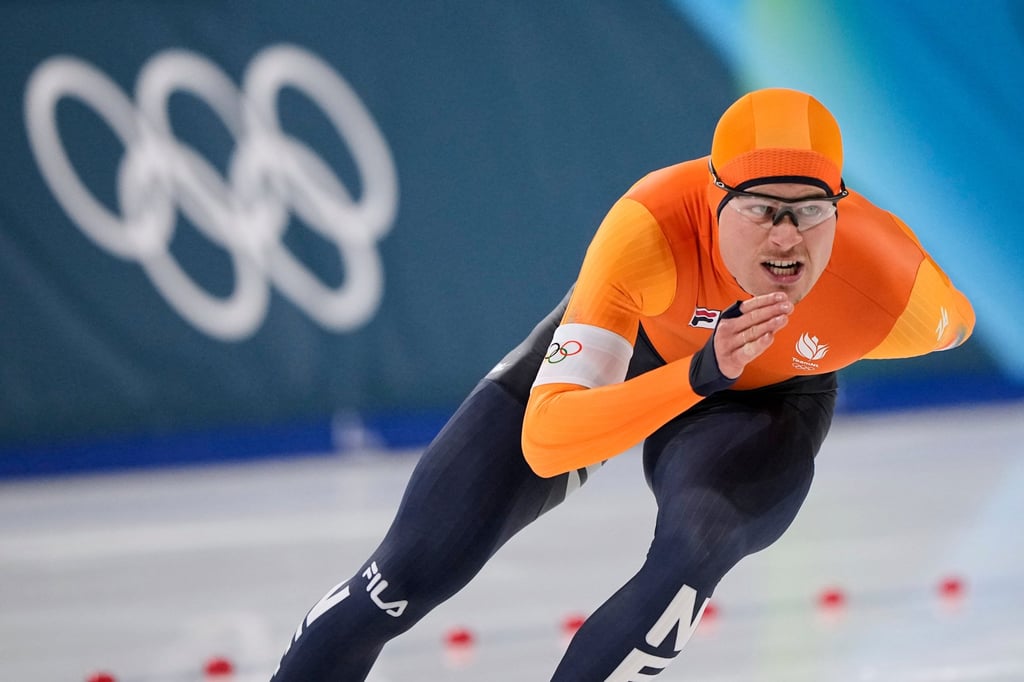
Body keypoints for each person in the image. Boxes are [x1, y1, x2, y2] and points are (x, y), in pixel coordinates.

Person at [270, 87, 974, 681]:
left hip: (772, 397)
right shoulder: (650, 231)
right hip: (641, 356)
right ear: (713, 196)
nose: (787, 237)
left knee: (695, 549)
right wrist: (700, 373)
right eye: (761, 208)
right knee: (405, 576)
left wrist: (738, 370)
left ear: (839, 208)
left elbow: (959, 322)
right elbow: (546, 443)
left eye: (810, 210)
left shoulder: (887, 283)